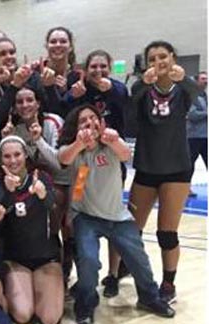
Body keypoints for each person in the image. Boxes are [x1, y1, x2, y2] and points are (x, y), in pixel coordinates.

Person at [58, 104, 175, 324]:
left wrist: (112, 139)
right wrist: (79, 143)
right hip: (86, 218)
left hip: (117, 217)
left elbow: (125, 153)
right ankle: (85, 304)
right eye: (83, 121)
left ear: (101, 122)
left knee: (139, 260)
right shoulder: (75, 152)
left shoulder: (110, 143)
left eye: (93, 118)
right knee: (89, 261)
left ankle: (149, 297)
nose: (89, 123)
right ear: (76, 128)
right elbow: (64, 158)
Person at [129, 41, 199, 304]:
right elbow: (129, 109)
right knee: (130, 232)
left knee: (167, 233)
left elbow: (196, 91)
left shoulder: (183, 90)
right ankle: (133, 274)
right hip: (146, 168)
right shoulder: (142, 89)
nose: (158, 62)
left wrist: (186, 78)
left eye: (163, 56)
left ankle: (168, 283)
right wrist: (143, 84)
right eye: (152, 58)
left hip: (176, 171)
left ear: (172, 58)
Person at [64, 49, 131, 297]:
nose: (98, 71)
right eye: (94, 66)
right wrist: (72, 96)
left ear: (110, 67)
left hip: (110, 163)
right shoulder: (80, 88)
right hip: (84, 163)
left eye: (103, 66)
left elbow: (126, 102)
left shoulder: (118, 89)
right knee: (80, 210)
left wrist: (110, 90)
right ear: (86, 67)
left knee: (113, 216)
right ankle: (85, 277)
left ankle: (113, 274)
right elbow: (67, 113)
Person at [0, 136, 63, 324]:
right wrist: (7, 193)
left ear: (25, 155)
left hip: (46, 257)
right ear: (1, 159)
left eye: (17, 155)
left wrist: (43, 194)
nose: (13, 160)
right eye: (7, 156)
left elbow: (52, 206)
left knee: (50, 318)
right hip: (15, 259)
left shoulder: (41, 178)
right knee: (22, 314)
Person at [187, 71, 207, 196]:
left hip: (206, 136)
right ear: (197, 80)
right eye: (203, 79)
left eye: (207, 79)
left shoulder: (205, 95)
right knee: (190, 165)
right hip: (193, 136)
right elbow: (192, 115)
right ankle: (186, 188)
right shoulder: (192, 96)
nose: (206, 81)